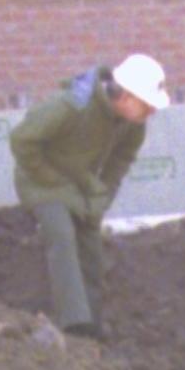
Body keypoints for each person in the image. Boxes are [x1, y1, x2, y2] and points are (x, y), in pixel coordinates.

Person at [10, 53, 170, 337]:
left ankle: (93, 327)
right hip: (40, 180)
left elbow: (121, 161)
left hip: (79, 185)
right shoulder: (72, 106)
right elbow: (22, 139)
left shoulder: (134, 125)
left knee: (91, 248)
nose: (152, 113)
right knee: (61, 234)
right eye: (148, 105)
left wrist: (101, 197)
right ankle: (73, 326)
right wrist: (49, 177)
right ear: (127, 97)